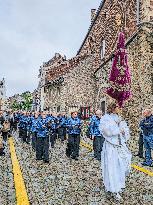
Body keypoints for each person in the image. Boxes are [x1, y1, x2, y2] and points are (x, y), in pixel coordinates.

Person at [99, 103, 132, 201]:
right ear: (113, 108)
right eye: (118, 107)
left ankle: (119, 185)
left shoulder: (119, 118)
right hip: (110, 147)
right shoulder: (105, 118)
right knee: (112, 167)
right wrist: (118, 130)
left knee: (122, 166)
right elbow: (106, 131)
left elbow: (125, 129)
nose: (120, 109)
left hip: (120, 146)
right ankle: (114, 189)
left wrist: (124, 131)